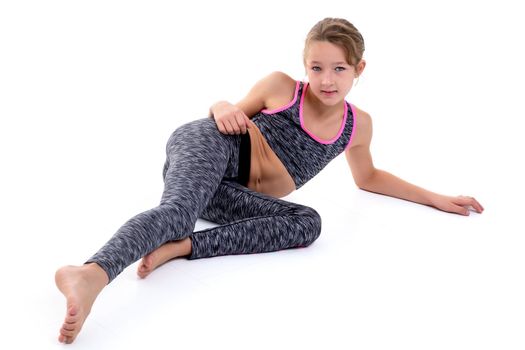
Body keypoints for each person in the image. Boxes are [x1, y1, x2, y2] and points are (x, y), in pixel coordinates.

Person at [54, 17, 484, 344]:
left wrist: (435, 198)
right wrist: (220, 103)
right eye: (316, 67)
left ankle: (182, 247)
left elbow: (368, 177)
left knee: (307, 223)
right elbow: (227, 112)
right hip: (210, 147)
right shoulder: (282, 87)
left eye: (338, 69)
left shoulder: (358, 126)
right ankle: (91, 273)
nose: (326, 80)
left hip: (229, 195)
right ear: (305, 66)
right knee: (178, 211)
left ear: (359, 68)